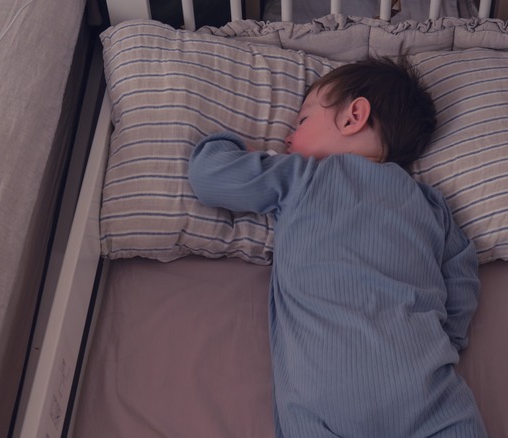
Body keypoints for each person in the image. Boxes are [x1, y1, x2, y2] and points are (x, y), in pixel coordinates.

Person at [187, 57, 487, 437]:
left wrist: (231, 143)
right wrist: (448, 340)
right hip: (424, 389)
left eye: (302, 120)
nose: (288, 137)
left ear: (353, 116)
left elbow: (210, 177)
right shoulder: (430, 204)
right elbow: (461, 273)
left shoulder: (303, 176)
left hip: (324, 395)